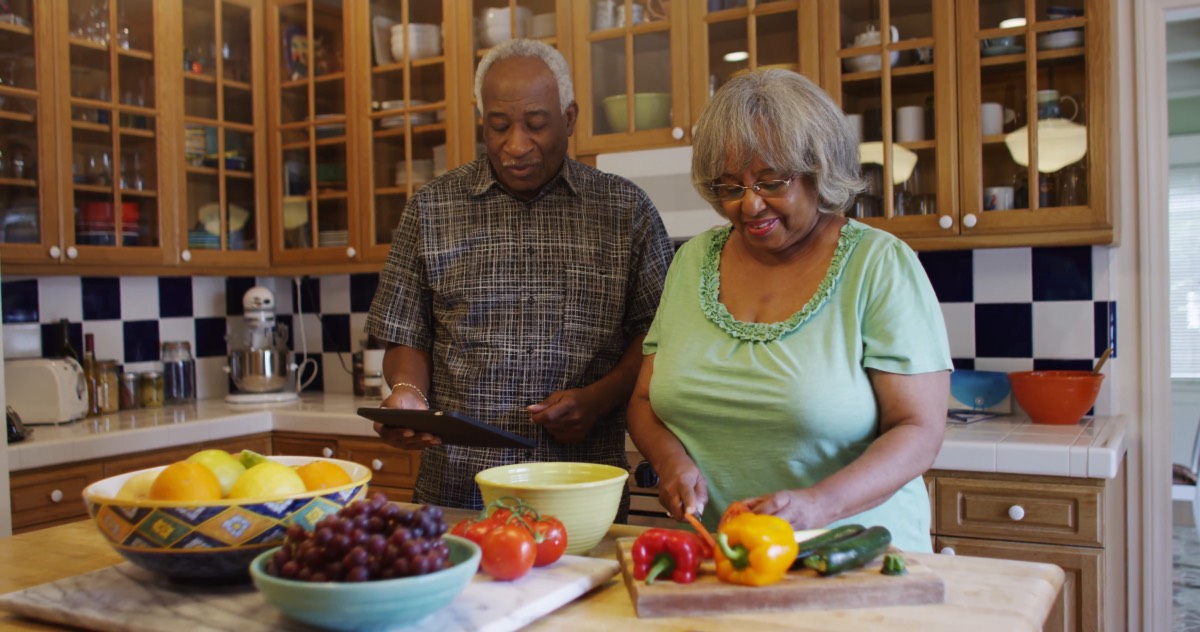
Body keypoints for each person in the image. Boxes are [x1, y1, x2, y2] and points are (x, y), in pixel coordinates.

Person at [626, 69, 951, 552]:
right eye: (729, 187)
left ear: (819, 169)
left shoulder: (879, 264)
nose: (750, 205)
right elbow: (645, 402)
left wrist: (819, 504)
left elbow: (919, 432)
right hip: (738, 557)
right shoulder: (693, 262)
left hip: (856, 557)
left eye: (771, 181)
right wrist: (671, 461)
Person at [365, 39, 674, 516]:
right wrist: (408, 394)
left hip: (580, 490)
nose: (516, 146)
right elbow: (406, 334)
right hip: (458, 490)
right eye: (499, 125)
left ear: (569, 119)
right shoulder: (431, 208)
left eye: (536, 124)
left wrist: (597, 399)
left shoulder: (625, 211)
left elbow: (658, 339)